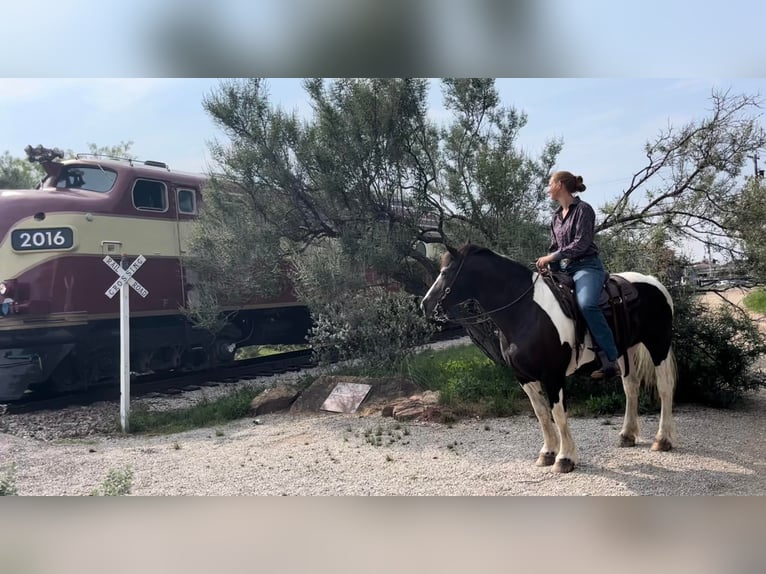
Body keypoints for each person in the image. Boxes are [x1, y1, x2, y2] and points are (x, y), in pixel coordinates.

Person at [535, 171, 619, 379]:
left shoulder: (584, 210)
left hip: (587, 267)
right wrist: (549, 266)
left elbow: (581, 244)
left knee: (586, 304)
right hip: (564, 270)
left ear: (560, 185)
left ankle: (609, 359)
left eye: (550, 183)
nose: (548, 188)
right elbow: (555, 247)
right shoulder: (555, 217)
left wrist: (552, 257)